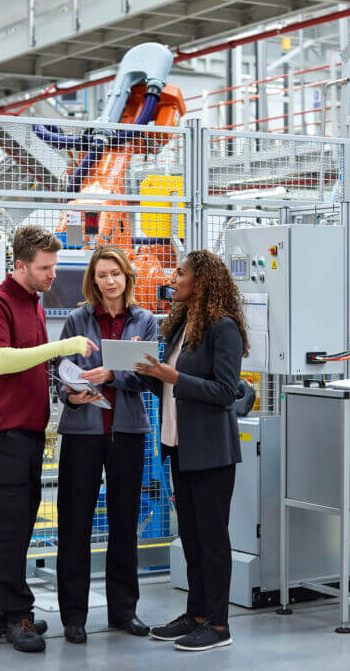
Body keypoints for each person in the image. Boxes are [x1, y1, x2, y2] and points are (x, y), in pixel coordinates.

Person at [0, 224, 97, 654]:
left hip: (26, 429)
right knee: (10, 525)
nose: (51, 275)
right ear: (19, 265)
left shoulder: (34, 304)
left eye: (54, 266)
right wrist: (61, 350)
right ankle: (16, 614)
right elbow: (0, 361)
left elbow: (29, 365)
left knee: (11, 521)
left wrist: (72, 382)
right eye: (45, 267)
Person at [133, 250, 248, 652]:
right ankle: (196, 614)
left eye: (180, 272)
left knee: (212, 539)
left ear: (201, 281)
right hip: (179, 447)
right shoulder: (181, 325)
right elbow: (171, 389)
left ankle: (218, 626)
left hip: (212, 452)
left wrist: (172, 375)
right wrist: (148, 372)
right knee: (192, 537)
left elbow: (224, 391)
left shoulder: (224, 327)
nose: (173, 277)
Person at [54, 245, 159, 644]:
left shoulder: (145, 321)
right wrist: (70, 393)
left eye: (115, 273)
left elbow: (148, 377)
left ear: (126, 276)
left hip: (128, 433)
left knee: (123, 525)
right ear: (92, 281)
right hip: (83, 434)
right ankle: (74, 617)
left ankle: (123, 611)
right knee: (75, 524)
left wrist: (110, 376)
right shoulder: (77, 320)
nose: (109, 281)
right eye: (101, 275)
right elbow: (58, 373)